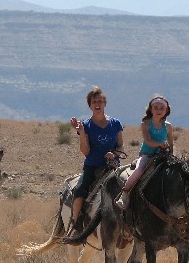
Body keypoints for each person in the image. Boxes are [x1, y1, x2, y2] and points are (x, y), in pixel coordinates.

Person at [66, 86, 124, 234]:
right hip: (93, 166)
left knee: (131, 188)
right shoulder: (86, 125)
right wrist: (82, 133)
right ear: (90, 105)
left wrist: (114, 153)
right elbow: (85, 151)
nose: (97, 104)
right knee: (79, 191)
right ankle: (76, 224)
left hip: (113, 167)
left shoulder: (115, 123)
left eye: (100, 101)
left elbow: (120, 146)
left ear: (105, 103)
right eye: (94, 102)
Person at [115, 94, 173, 209]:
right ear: (150, 109)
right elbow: (148, 141)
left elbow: (171, 143)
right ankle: (125, 194)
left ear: (166, 110)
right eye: (155, 107)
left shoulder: (168, 126)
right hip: (147, 154)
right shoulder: (146, 124)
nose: (159, 110)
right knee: (139, 170)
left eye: (162, 108)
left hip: (162, 155)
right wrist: (160, 144)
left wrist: (171, 153)